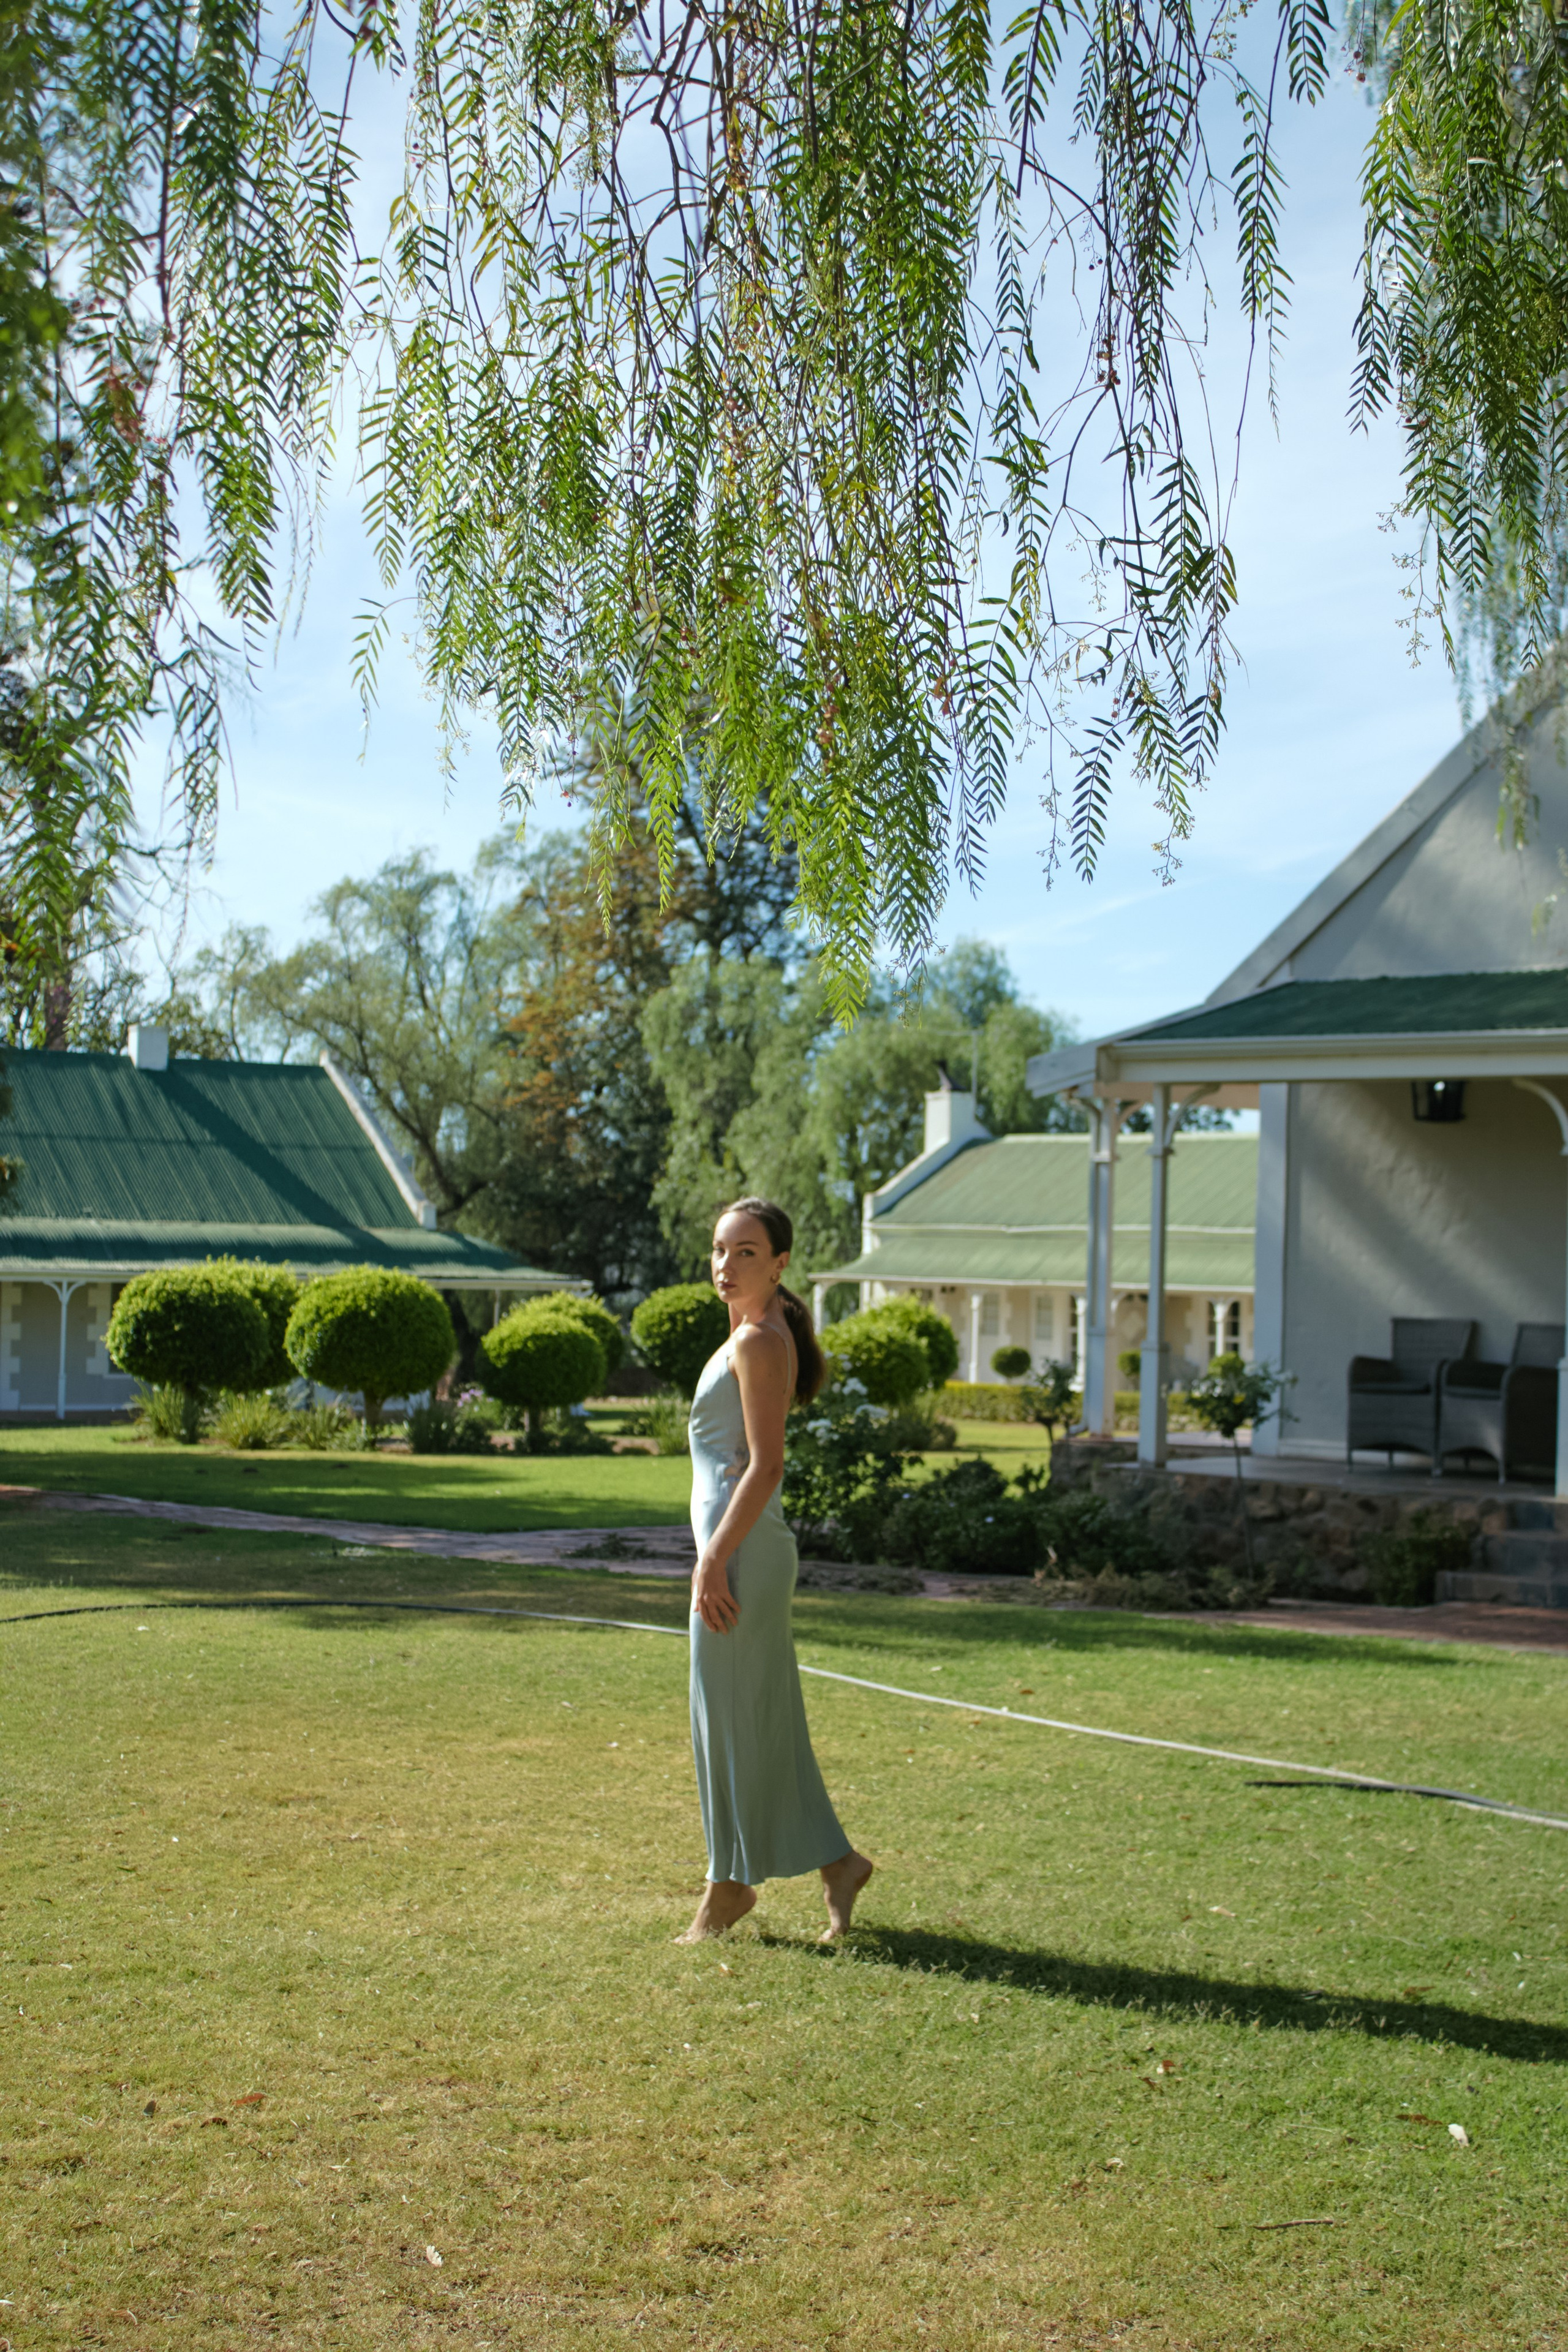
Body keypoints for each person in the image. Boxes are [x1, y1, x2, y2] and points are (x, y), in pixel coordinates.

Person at [678, 1196, 875, 1944]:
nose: (727, 1266)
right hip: (736, 1552)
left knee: (729, 1721)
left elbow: (766, 1467)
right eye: (720, 1251)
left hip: (743, 1556)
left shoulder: (761, 1341)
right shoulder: (748, 1335)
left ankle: (729, 1887)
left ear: (781, 1263)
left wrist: (714, 1561)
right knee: (756, 1718)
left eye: (747, 1253)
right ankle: (839, 1864)